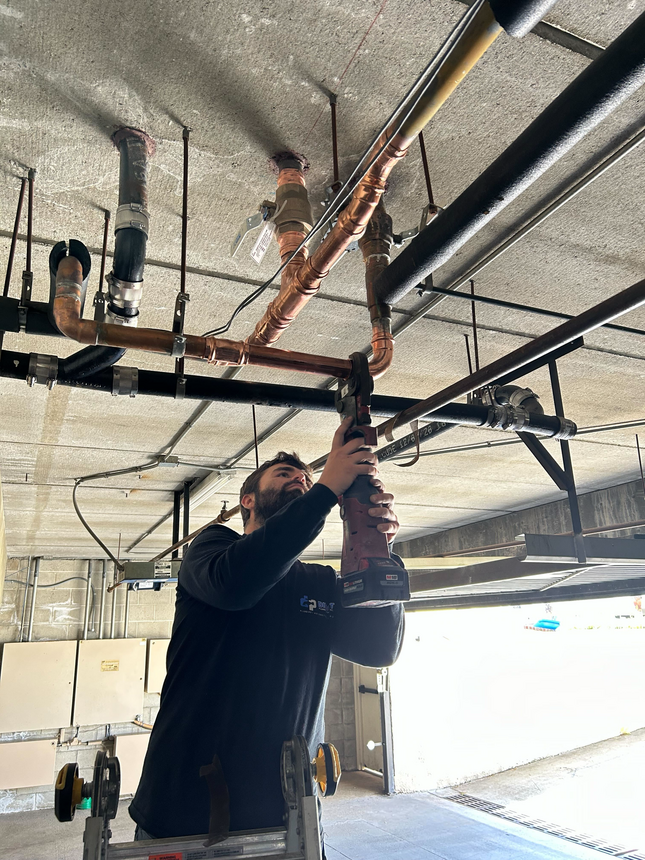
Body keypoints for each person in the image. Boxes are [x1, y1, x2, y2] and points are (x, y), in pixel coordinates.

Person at [130, 417, 406, 842]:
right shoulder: (212, 550)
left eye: (306, 476)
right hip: (185, 809)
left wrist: (379, 552)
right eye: (284, 474)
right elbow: (238, 585)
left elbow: (377, 647)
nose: (300, 478)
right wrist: (325, 489)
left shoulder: (317, 581)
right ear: (247, 500)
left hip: (289, 815)